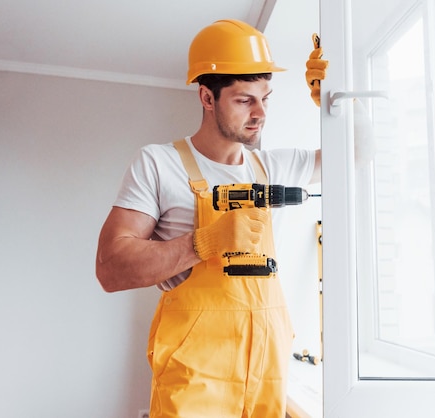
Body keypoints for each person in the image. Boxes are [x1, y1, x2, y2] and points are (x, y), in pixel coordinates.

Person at [95, 19, 328, 418]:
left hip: (267, 370)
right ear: (207, 97)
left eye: (265, 98)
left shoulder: (276, 167)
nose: (260, 114)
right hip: (197, 378)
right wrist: (203, 242)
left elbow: (360, 155)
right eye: (244, 100)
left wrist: (336, 101)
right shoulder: (159, 163)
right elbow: (110, 269)